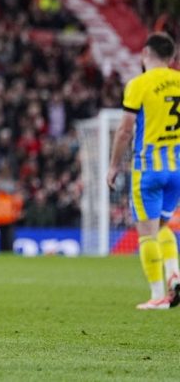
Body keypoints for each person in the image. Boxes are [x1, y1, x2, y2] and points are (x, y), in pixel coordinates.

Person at [106, 32, 180, 310]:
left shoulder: (139, 84)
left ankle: (158, 295)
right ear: (172, 57)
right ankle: (174, 276)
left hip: (148, 169)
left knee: (147, 233)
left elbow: (125, 130)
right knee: (162, 226)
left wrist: (114, 165)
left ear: (145, 54)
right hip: (176, 168)